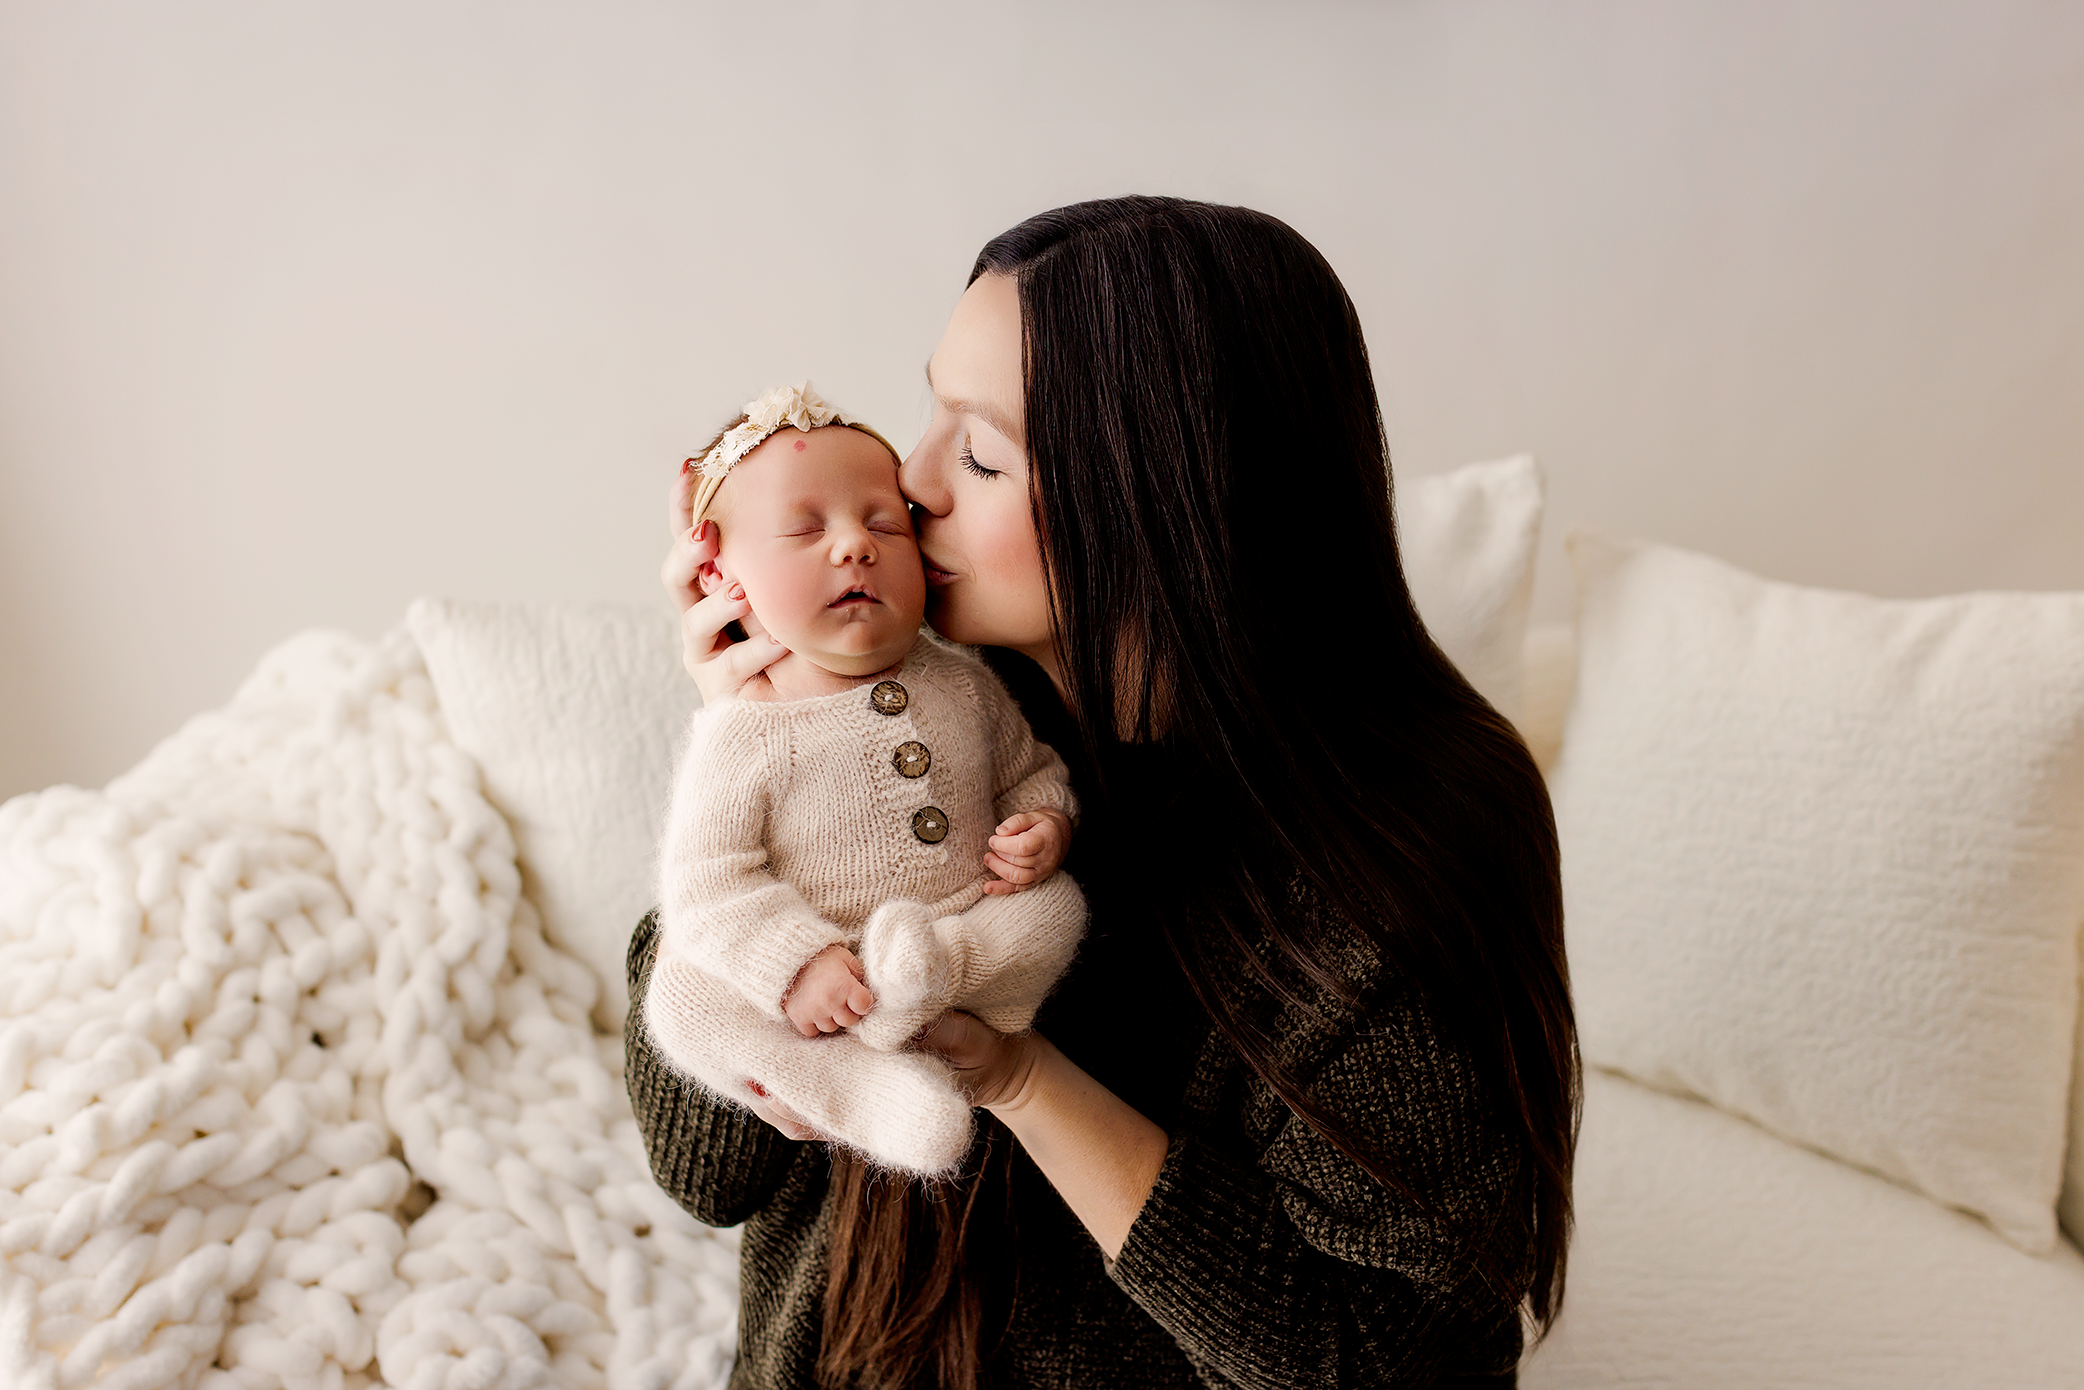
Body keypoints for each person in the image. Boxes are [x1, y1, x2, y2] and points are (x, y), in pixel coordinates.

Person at [627, 196, 1579, 1389]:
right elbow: (705, 1170)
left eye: (976, 452)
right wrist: (769, 730)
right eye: (928, 415)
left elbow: (1386, 1358)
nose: (911, 483)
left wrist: (1019, 1078)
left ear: (1161, 504)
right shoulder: (937, 711)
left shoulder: (1392, 845)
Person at [644, 381, 1085, 1177]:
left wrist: (1043, 825)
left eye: (885, 523)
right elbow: (706, 884)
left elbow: (1033, 773)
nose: (856, 545)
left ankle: (928, 978)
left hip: (958, 936)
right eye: (806, 530)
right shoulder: (745, 730)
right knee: (680, 998)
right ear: (719, 581)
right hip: (819, 980)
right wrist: (793, 967)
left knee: (1058, 908)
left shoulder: (966, 682)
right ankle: (855, 1087)